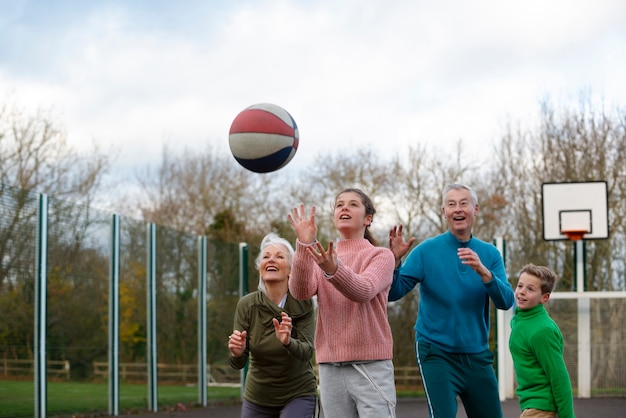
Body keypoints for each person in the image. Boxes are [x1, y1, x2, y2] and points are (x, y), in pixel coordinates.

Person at [388, 183, 515, 418]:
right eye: (451, 204)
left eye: (464, 203)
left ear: (475, 209)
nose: (458, 209)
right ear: (444, 212)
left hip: (477, 355)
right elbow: (393, 293)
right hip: (436, 353)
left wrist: (484, 272)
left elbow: (506, 301)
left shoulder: (490, 254)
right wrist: (395, 262)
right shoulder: (426, 251)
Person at [288, 188, 397, 417]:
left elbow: (364, 290)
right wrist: (303, 245)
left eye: (353, 204)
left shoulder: (381, 255)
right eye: (339, 205)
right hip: (330, 367)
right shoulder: (324, 256)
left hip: (371, 366)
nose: (344, 208)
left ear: (368, 218)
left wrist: (333, 270)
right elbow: (300, 292)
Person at [228, 232, 318, 418]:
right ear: (260, 268)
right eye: (266, 257)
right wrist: (237, 352)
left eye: (279, 256)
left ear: (291, 269)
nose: (271, 260)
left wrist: (287, 342)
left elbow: (307, 351)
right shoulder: (247, 305)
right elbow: (238, 362)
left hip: (298, 393)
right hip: (258, 397)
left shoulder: (304, 302)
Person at [509, 264, 575, 418]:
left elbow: (559, 378)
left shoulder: (542, 331)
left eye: (530, 289)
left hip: (541, 409)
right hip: (530, 405)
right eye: (520, 286)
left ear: (544, 297)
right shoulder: (520, 319)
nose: (522, 292)